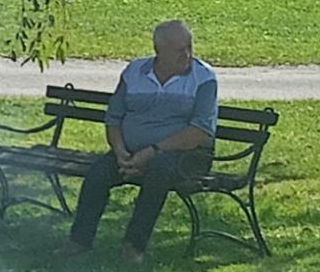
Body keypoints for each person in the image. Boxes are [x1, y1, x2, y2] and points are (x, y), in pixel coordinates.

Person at [67, 18, 219, 258]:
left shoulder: (204, 78)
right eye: (180, 50)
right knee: (98, 173)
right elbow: (114, 118)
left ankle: (133, 247)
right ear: (160, 51)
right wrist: (120, 152)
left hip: (188, 155)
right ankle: (79, 241)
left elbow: (199, 131)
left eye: (190, 47)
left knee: (158, 171)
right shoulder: (134, 72)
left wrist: (150, 153)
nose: (187, 55)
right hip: (131, 152)